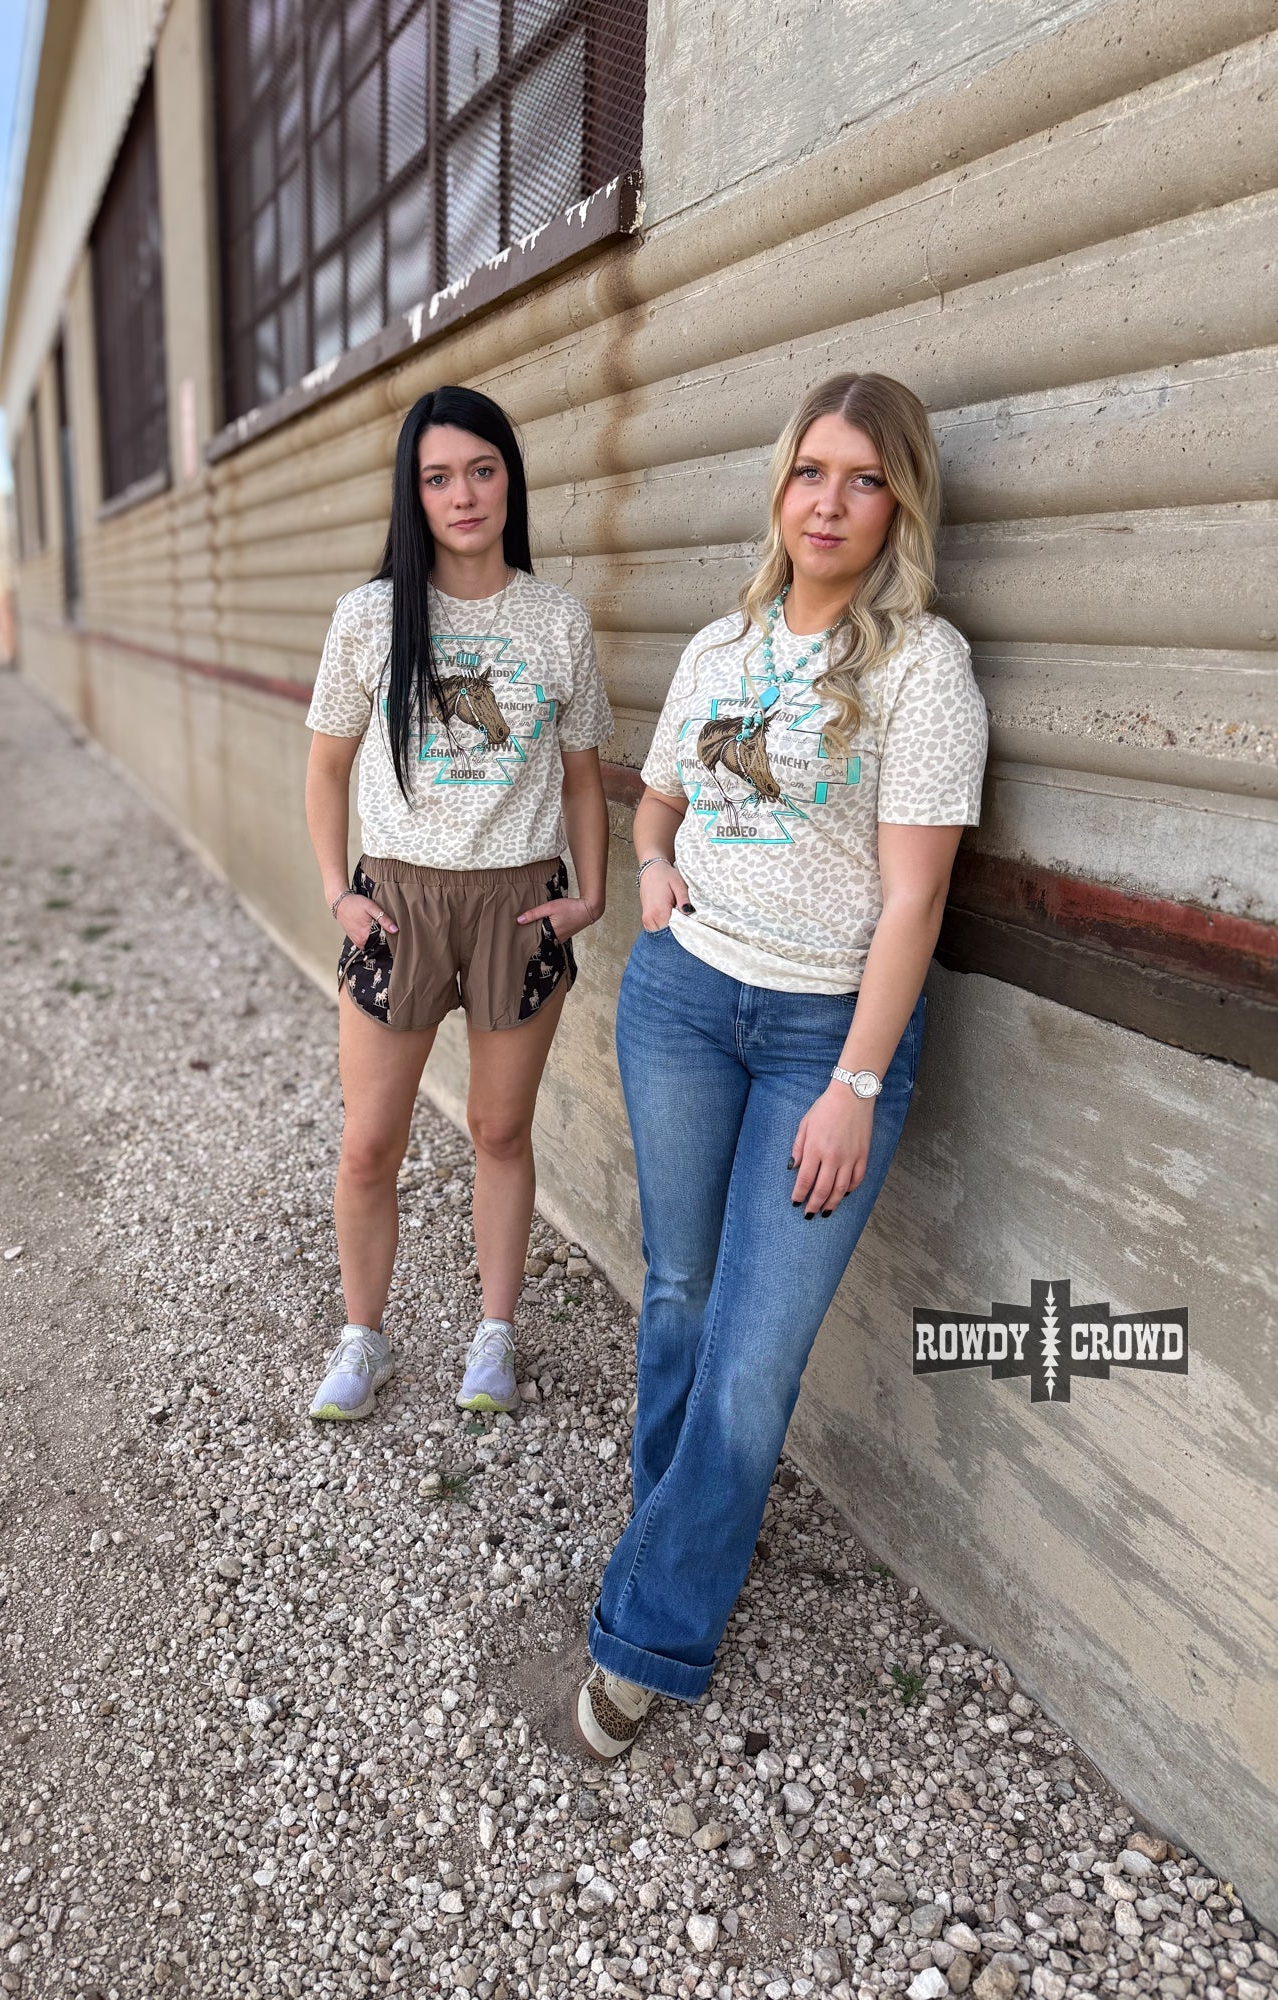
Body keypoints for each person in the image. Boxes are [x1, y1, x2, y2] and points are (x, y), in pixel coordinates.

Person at [572, 372, 989, 1758]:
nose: (830, 502)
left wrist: (856, 1085)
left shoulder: (922, 668)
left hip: (824, 1031)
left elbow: (916, 901)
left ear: (900, 504)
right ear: (781, 485)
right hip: (682, 1002)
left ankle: (646, 1629)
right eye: (812, 471)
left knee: (752, 1358)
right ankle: (675, 1543)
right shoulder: (721, 644)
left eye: (865, 479)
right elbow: (661, 797)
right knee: (677, 1294)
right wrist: (648, 867)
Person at [304, 385, 611, 1422]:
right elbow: (325, 768)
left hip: (517, 904)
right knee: (368, 1141)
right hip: (397, 902)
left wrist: (589, 894)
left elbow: (582, 776)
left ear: (509, 479)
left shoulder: (556, 619)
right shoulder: (369, 617)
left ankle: (494, 1334)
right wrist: (337, 891)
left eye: (482, 470)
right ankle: (363, 1338)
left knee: (499, 1129)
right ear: (415, 491)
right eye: (438, 477)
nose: (463, 494)